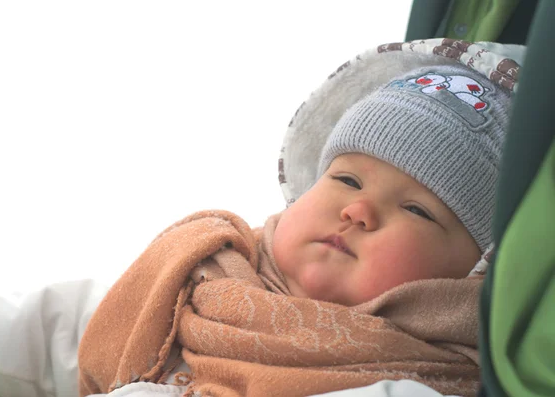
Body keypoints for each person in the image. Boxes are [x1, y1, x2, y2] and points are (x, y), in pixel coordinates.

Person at [78, 39, 523, 397]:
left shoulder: (409, 382)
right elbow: (51, 333)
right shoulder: (192, 277)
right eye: (348, 179)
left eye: (416, 210)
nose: (358, 210)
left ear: (469, 275)